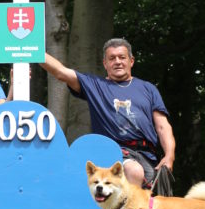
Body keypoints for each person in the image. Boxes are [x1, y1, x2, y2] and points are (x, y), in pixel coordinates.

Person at [41, 38, 175, 188]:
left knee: (151, 205)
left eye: (122, 57)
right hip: (115, 153)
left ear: (131, 61)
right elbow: (61, 72)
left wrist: (169, 155)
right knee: (134, 171)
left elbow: (163, 126)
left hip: (148, 156)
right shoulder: (95, 85)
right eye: (112, 58)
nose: (117, 61)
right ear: (105, 64)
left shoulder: (148, 89)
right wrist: (32, 48)